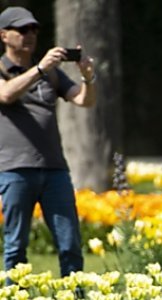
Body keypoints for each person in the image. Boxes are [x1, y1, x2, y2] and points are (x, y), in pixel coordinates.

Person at [0, 5, 96, 278]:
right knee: (16, 246)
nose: (29, 35)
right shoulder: (9, 70)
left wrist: (88, 76)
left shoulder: (52, 74)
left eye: (33, 29)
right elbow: (6, 95)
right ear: (4, 35)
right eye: (22, 30)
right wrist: (41, 68)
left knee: (70, 245)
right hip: (14, 170)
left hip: (55, 170)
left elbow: (84, 100)